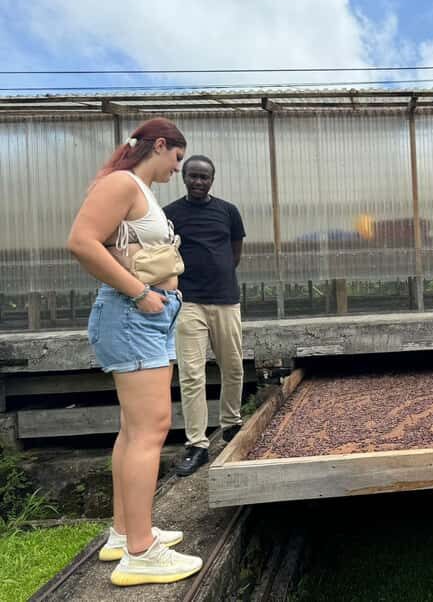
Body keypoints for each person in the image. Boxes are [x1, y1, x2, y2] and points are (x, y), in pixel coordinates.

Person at [67, 118, 202, 585]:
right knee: (151, 428)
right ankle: (141, 554)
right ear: (160, 145)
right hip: (134, 313)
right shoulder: (122, 183)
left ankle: (126, 533)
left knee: (133, 430)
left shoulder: (139, 190)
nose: (177, 169)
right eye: (176, 159)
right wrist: (140, 293)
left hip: (148, 314)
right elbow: (82, 242)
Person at [165, 155, 246, 477]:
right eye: (193, 176)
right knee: (192, 373)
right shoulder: (170, 214)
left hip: (225, 300)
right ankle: (197, 444)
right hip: (189, 302)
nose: (198, 182)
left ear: (212, 179)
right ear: (184, 177)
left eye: (204, 177)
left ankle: (231, 425)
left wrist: (221, 273)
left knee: (233, 366)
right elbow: (164, 253)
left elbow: (235, 250)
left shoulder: (228, 212)